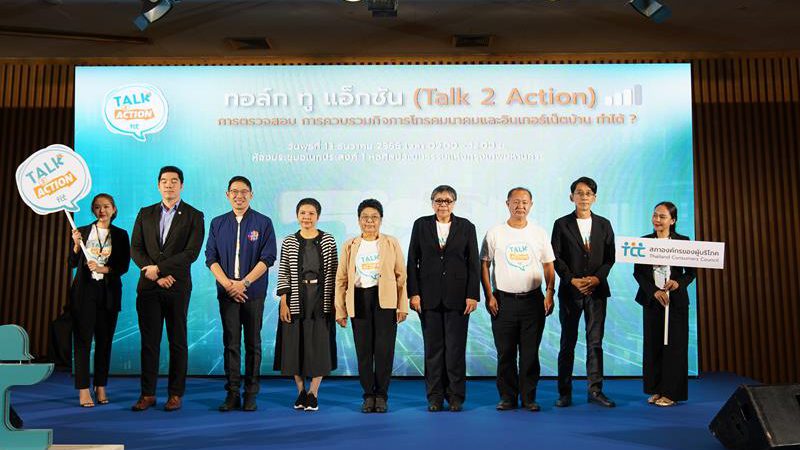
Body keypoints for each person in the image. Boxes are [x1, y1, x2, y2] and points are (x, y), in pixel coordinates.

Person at [130, 166, 205, 412]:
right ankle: (148, 394)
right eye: (164, 181)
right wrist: (153, 273)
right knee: (149, 343)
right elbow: (136, 249)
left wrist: (159, 270)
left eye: (174, 181)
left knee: (177, 341)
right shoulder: (145, 213)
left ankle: (175, 394)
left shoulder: (194, 215)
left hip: (177, 286)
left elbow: (191, 253)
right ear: (158, 185)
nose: (169, 185)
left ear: (181, 185)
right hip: (149, 287)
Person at [480, 187, 555, 412]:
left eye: (524, 202)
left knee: (530, 353)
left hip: (533, 301)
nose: (520, 206)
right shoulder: (495, 233)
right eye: (515, 202)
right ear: (507, 204)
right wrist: (489, 295)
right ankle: (507, 397)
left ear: (531, 205)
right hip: (503, 302)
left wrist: (550, 292)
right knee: (505, 353)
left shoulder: (539, 233)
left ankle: (529, 397)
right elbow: (484, 264)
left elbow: (548, 265)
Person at [205, 176, 277, 412]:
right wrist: (228, 285)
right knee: (231, 344)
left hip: (253, 293)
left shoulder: (263, 222)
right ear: (227, 195)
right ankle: (232, 393)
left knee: (253, 344)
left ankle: (251, 394)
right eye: (234, 191)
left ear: (251, 194)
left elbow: (268, 258)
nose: (239, 195)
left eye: (244, 191)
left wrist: (243, 283)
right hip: (227, 293)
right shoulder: (217, 223)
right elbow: (211, 258)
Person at [407, 185, 480, 412]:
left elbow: (473, 264)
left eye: (448, 201)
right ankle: (435, 397)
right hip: (428, 299)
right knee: (433, 350)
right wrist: (414, 293)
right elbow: (412, 260)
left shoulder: (467, 227)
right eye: (439, 200)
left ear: (454, 203)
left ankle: (456, 396)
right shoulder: (421, 225)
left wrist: (472, 295)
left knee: (456, 350)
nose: (443, 205)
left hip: (459, 300)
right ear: (432, 203)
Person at [335, 199, 408, 413]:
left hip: (385, 300)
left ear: (381, 220)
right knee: (364, 351)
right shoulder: (350, 245)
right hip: (359, 300)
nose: (369, 221)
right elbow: (341, 280)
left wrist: (402, 306)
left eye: (374, 217)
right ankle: (368, 395)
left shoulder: (391, 242)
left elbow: (401, 276)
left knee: (384, 351)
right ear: (358, 220)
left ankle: (382, 395)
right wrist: (340, 309)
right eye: (365, 217)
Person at [551, 176, 617, 408]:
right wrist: (572, 280)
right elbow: (556, 258)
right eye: (579, 193)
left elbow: (610, 258)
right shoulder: (561, 224)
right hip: (571, 292)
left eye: (588, 193)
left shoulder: (604, 224)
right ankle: (564, 393)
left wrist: (597, 278)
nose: (584, 197)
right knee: (567, 342)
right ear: (572, 197)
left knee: (595, 342)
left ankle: (595, 391)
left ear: (595, 198)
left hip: (597, 292)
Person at [274, 198, 338, 412]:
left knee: (319, 345)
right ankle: (301, 391)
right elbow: (283, 271)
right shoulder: (289, 241)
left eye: (311, 213)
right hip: (295, 298)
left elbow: (334, 273)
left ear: (318, 216)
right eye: (303, 213)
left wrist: (333, 302)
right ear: (297, 215)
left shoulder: (328, 240)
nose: (307, 217)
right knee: (294, 344)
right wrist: (283, 301)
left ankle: (314, 392)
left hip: (321, 297)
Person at [69, 193, 130, 407]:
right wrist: (76, 245)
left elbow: (123, 266)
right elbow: (72, 263)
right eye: (97, 207)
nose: (101, 210)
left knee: (104, 342)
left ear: (113, 209)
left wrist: (103, 268)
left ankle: (101, 385)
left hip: (109, 292)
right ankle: (84, 389)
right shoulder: (83, 231)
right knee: (83, 341)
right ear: (93, 210)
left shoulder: (121, 235)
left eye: (106, 206)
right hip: (84, 292)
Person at [633, 201, 696, 407]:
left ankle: (671, 393)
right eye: (655, 216)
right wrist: (654, 291)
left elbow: (691, 273)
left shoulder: (683, 242)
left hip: (675, 303)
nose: (657, 220)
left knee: (674, 346)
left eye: (662, 217)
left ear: (673, 220)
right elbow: (639, 273)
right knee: (653, 346)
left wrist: (678, 283)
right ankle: (656, 389)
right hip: (652, 301)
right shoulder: (644, 242)